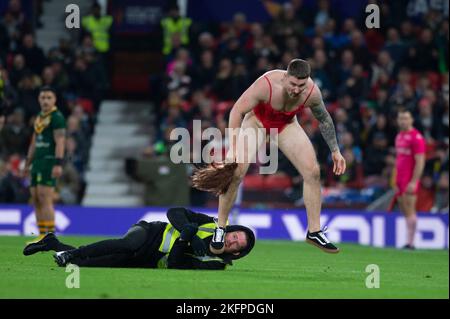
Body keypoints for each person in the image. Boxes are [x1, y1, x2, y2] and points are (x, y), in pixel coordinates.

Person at [192, 59, 346, 254]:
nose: (297, 90)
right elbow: (237, 111)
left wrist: (335, 150)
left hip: (285, 125)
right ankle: (221, 228)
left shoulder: (312, 92)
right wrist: (233, 148)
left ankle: (314, 231)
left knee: (313, 172)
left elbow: (324, 119)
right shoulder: (266, 85)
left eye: (301, 85)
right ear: (285, 77)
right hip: (256, 123)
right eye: (293, 84)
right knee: (236, 172)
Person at [23, 207, 255, 270]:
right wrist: (187, 228)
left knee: (88, 265)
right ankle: (70, 254)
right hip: (149, 232)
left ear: (236, 253)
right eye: (235, 235)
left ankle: (53, 244)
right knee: (127, 243)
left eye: (237, 245)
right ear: (230, 229)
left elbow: (175, 264)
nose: (232, 241)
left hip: (148, 261)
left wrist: (185, 238)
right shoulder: (210, 224)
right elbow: (174, 211)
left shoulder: (215, 264)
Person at [23, 86, 66, 245]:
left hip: (49, 161)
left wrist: (58, 163)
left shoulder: (57, 117)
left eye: (49, 97)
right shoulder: (39, 117)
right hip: (37, 162)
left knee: (45, 197)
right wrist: (27, 163)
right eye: (43, 97)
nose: (45, 100)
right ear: (39, 99)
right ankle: (42, 236)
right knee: (35, 197)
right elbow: (34, 142)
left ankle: (50, 236)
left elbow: (60, 141)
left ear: (54, 100)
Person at [392, 108, 426, 249]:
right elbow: (398, 160)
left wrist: (414, 181)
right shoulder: (399, 136)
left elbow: (420, 161)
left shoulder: (416, 137)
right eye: (401, 118)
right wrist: (394, 179)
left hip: (409, 179)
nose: (403, 121)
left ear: (411, 120)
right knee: (404, 209)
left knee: (410, 209)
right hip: (400, 179)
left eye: (406, 118)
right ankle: (408, 241)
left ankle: (411, 242)